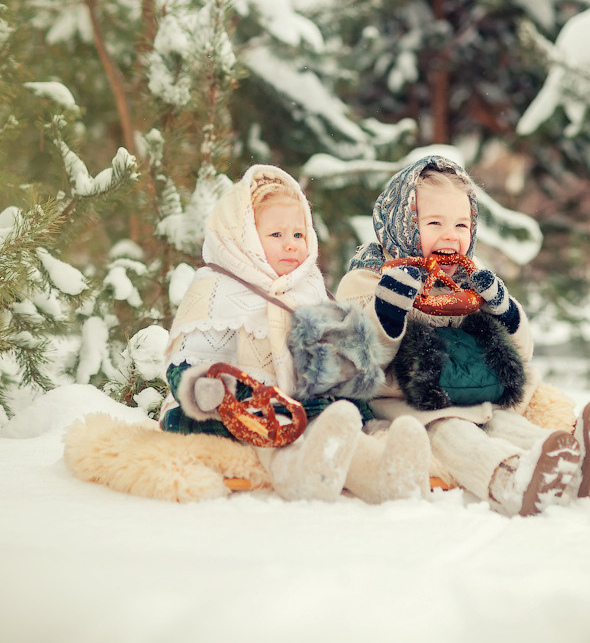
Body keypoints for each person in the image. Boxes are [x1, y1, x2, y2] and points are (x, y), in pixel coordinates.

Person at [335, 154, 590, 516]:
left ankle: (579, 460)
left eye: (461, 224)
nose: (450, 235)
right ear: (403, 225)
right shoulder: (368, 280)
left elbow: (521, 353)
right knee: (458, 436)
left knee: (505, 423)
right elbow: (360, 360)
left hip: (474, 397)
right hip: (408, 407)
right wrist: (390, 308)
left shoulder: (467, 282)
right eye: (434, 222)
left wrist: (502, 308)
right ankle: (510, 480)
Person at [159, 163, 431, 504]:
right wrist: (204, 387)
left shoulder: (309, 287)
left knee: (337, 426)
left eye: (298, 235)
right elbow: (186, 360)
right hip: (243, 410)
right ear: (241, 237)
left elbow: (331, 364)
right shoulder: (215, 288)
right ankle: (302, 476)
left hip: (305, 405)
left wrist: (354, 400)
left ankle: (389, 478)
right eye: (276, 235)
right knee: (272, 435)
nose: (291, 246)